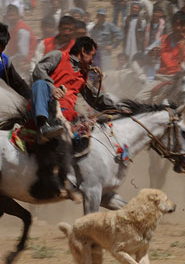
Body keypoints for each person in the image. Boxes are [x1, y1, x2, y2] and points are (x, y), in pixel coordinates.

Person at [30, 36, 126, 197]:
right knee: (40, 83)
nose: (93, 61)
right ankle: (43, 127)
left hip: (66, 116)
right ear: (83, 51)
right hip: (46, 107)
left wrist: (121, 107)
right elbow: (38, 71)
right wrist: (52, 87)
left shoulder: (83, 75)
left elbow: (95, 98)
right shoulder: (58, 56)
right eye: (92, 56)